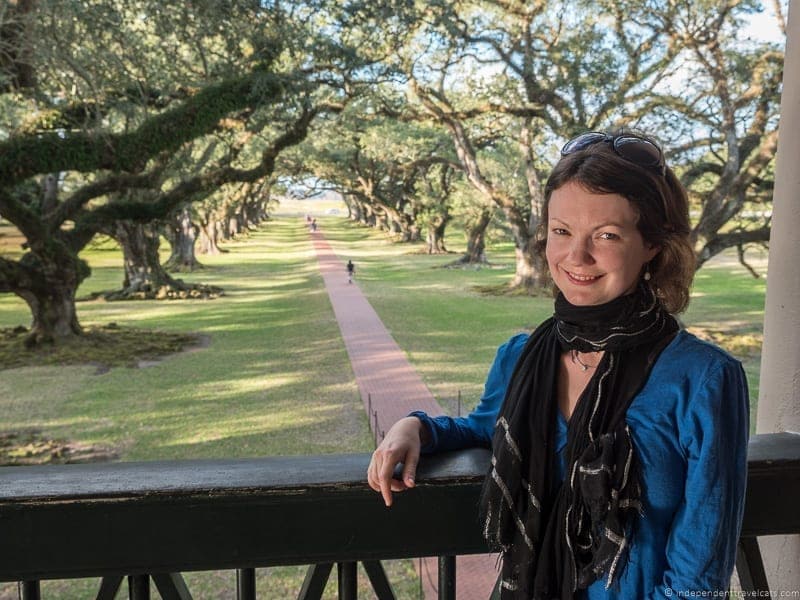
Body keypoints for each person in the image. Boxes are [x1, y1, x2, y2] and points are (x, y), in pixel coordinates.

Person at [366, 131, 749, 599]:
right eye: (562, 231)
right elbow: (485, 426)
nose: (576, 256)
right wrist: (416, 428)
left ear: (651, 244)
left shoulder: (705, 380)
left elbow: (699, 580)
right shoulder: (521, 358)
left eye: (606, 235)